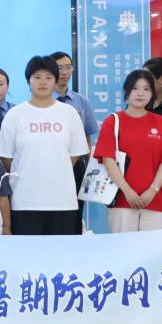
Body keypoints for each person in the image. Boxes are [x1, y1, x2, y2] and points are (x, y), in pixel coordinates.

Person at [0, 56, 89, 235]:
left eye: (48, 77)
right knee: (27, 252)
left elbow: (75, 153)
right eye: (37, 77)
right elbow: (6, 158)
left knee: (62, 251)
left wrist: (55, 168)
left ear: (55, 81)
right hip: (24, 201)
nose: (43, 82)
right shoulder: (15, 115)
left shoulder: (69, 113)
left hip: (62, 201)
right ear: (28, 81)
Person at [95, 70, 162, 232]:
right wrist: (127, 191)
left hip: (155, 201)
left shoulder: (161, 123)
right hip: (121, 199)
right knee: (123, 246)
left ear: (152, 93)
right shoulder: (113, 121)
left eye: (146, 89)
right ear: (127, 92)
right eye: (135, 88)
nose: (140, 93)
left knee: (153, 247)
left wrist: (152, 191)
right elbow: (107, 159)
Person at [50, 51, 100, 220]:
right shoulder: (43, 102)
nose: (65, 72)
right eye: (59, 68)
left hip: (76, 164)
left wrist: (90, 167)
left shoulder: (81, 101)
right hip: (49, 162)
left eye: (68, 67)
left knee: (76, 214)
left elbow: (87, 136)